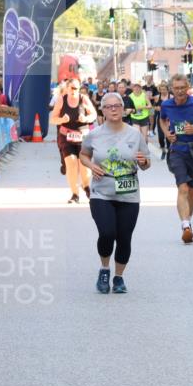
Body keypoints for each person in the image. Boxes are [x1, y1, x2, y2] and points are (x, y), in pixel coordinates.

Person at [78, 91, 151, 294]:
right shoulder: (95, 134)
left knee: (124, 237)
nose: (113, 109)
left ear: (122, 108)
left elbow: (146, 162)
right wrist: (91, 166)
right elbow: (83, 155)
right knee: (107, 232)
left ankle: (118, 277)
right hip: (102, 191)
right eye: (108, 106)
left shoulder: (134, 134)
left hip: (129, 192)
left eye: (116, 106)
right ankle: (104, 269)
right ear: (102, 110)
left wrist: (144, 161)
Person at [159, 73, 193, 243]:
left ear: (187, 88)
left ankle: (187, 219)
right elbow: (162, 121)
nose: (180, 91)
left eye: (182, 88)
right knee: (183, 188)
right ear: (171, 89)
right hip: (177, 150)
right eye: (176, 88)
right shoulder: (166, 105)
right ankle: (185, 225)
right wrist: (167, 134)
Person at [50, 78, 96, 203]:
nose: (74, 91)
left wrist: (85, 118)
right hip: (66, 137)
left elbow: (94, 115)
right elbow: (52, 119)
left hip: (83, 136)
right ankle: (75, 194)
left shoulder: (83, 99)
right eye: (72, 88)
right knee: (71, 163)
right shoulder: (62, 100)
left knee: (84, 167)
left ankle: (85, 185)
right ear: (67, 88)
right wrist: (61, 120)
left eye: (76, 88)